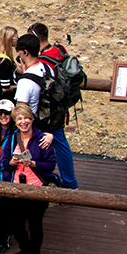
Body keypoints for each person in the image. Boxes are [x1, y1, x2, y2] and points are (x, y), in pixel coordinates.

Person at [0, 92, 53, 254]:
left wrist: (50, 136)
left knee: (6, 211)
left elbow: (39, 136)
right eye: (0, 113)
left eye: (7, 113)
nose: (3, 116)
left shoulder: (17, 132)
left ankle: (4, 239)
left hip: (10, 176)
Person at [0, 103, 57, 254]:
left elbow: (51, 165)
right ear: (15, 122)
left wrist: (34, 164)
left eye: (26, 118)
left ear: (32, 119)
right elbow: (4, 162)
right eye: (19, 119)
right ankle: (25, 249)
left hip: (36, 188)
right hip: (17, 187)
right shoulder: (12, 139)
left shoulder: (42, 139)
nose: (23, 122)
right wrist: (11, 163)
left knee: (35, 224)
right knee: (16, 223)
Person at [27, 22, 79, 189]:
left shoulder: (43, 60)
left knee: (45, 141)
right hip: (60, 105)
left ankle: (63, 182)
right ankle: (69, 181)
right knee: (60, 143)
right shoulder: (59, 50)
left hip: (48, 110)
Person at [14, 33, 46, 116]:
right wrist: (26, 73)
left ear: (25, 52)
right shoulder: (47, 68)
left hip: (35, 124)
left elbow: (21, 112)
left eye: (18, 51)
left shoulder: (25, 82)